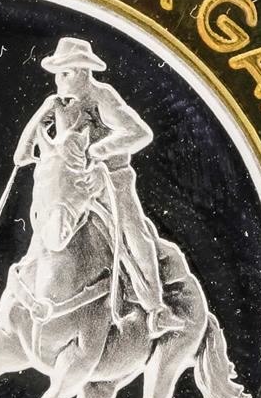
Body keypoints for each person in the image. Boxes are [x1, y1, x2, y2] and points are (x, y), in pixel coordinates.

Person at [14, 37, 181, 336]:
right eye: (57, 74)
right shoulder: (60, 104)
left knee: (133, 233)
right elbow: (21, 156)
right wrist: (43, 114)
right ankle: (27, 289)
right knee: (45, 225)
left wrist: (98, 151)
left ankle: (156, 308)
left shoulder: (102, 96)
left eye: (64, 73)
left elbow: (140, 133)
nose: (58, 80)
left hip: (110, 181)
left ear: (82, 71)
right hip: (70, 184)